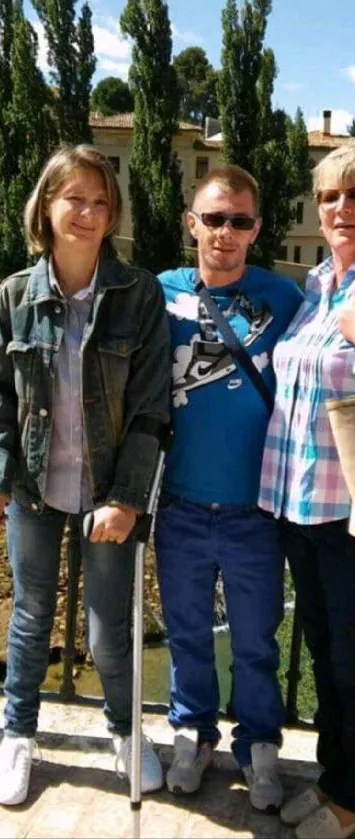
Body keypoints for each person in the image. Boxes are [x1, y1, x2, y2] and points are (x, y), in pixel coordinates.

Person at [0, 144, 171, 806]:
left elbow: (150, 409)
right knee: (31, 616)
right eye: (75, 197)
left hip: (108, 492)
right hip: (35, 490)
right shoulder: (14, 296)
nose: (90, 212)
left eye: (102, 202)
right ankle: (17, 732)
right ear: (46, 204)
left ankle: (125, 730)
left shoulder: (138, 294)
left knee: (107, 626)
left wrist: (128, 499)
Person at [259, 142, 355, 839]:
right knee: (322, 650)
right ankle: (330, 773)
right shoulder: (315, 285)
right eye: (327, 197)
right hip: (298, 505)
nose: (338, 209)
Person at [155, 164, 303, 810]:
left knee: (253, 637)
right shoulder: (157, 293)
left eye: (238, 220)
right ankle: (191, 730)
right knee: (187, 629)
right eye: (212, 218)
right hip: (180, 503)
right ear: (191, 223)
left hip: (254, 509)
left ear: (256, 229)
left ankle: (259, 742)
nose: (224, 231)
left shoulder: (284, 296)